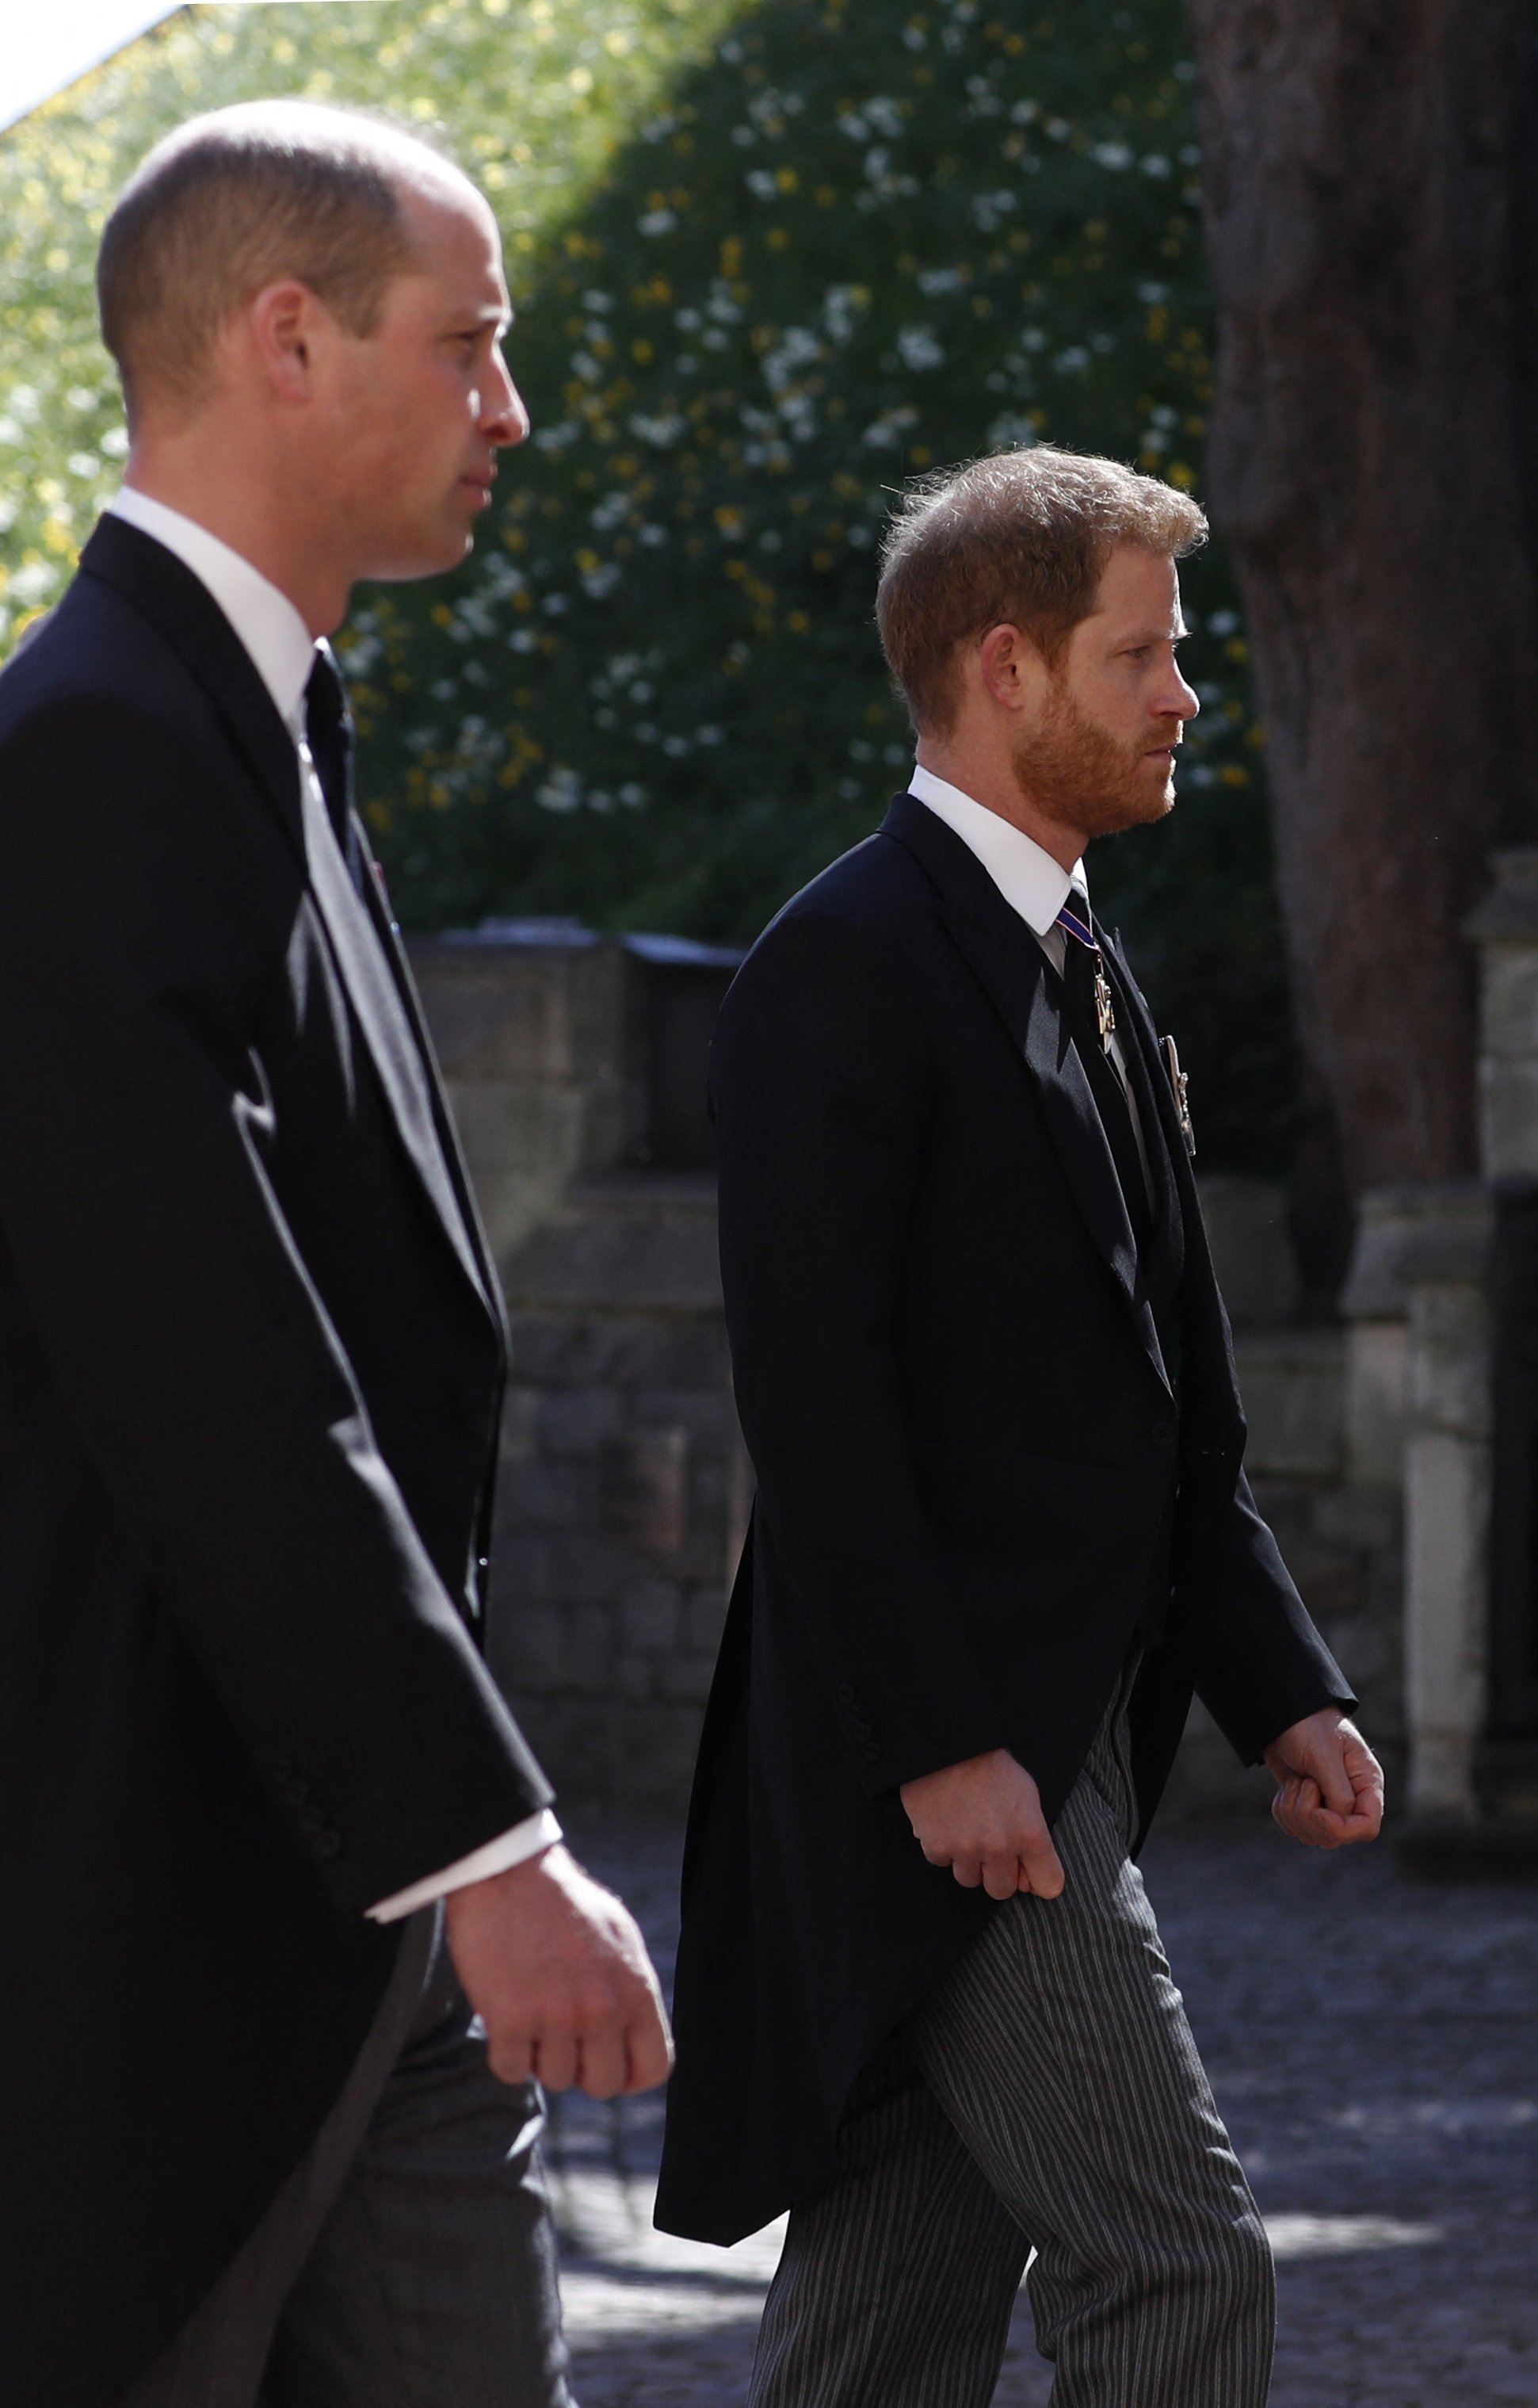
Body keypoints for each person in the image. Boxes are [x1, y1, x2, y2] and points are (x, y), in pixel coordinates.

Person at [0, 101, 669, 2408]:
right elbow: (208, 1359)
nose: (507, 412)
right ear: (290, 336)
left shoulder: (259, 724)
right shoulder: (93, 755)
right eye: (475, 347)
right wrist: (485, 1837)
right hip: (139, 1925)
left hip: (351, 1920)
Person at [655, 446, 1383, 2406]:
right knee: (1180, 2261)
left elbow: (1170, 1410)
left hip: (1046, 1744)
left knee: (885, 2325)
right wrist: (948, 1740)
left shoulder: (1093, 974)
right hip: (960, 1767)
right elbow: (818, 1407)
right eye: (1141, 654)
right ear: (1006, 666)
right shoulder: (843, 965)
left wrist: (1282, 1685)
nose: (1182, 695)